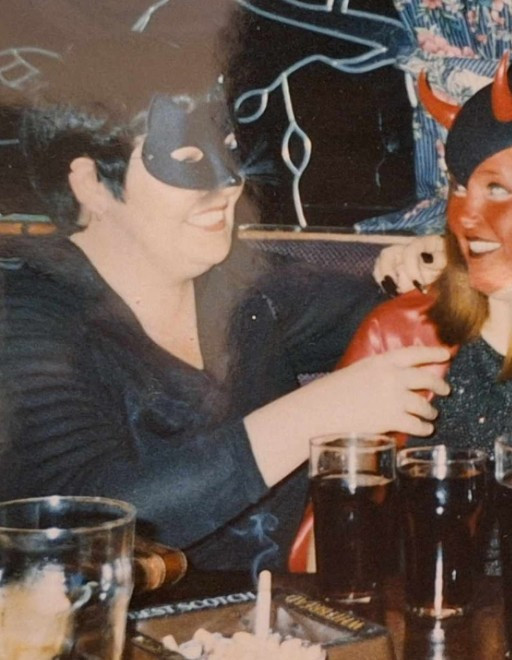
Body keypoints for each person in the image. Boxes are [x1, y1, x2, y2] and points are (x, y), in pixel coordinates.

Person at [0, 89, 451, 572]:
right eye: (187, 159)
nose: (229, 185)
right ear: (91, 184)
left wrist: (427, 270)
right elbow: (82, 522)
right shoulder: (24, 317)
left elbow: (408, 317)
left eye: (229, 149)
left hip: (294, 611)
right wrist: (311, 415)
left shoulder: (247, 287)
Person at [290, 54, 512, 574]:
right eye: (459, 186)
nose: (464, 215)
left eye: (496, 189)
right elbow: (320, 561)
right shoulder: (399, 335)